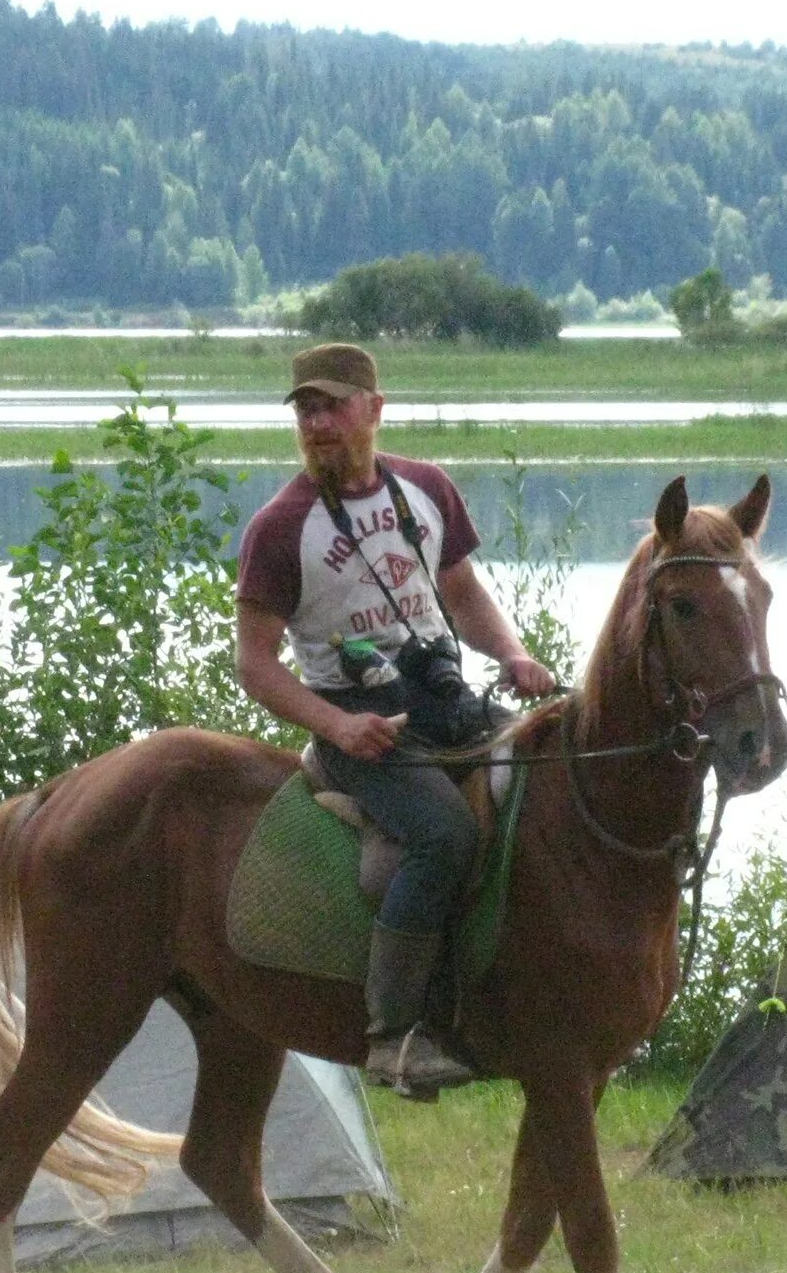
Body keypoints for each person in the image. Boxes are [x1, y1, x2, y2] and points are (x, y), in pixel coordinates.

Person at [233, 343, 556, 1098]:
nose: (317, 424)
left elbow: (464, 593)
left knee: (547, 776)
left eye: (332, 406)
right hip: (356, 725)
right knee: (445, 834)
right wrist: (337, 728)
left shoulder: (426, 491)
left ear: (374, 410)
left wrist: (512, 653)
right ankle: (394, 1038)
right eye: (306, 410)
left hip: (445, 700)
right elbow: (255, 664)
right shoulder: (281, 528)